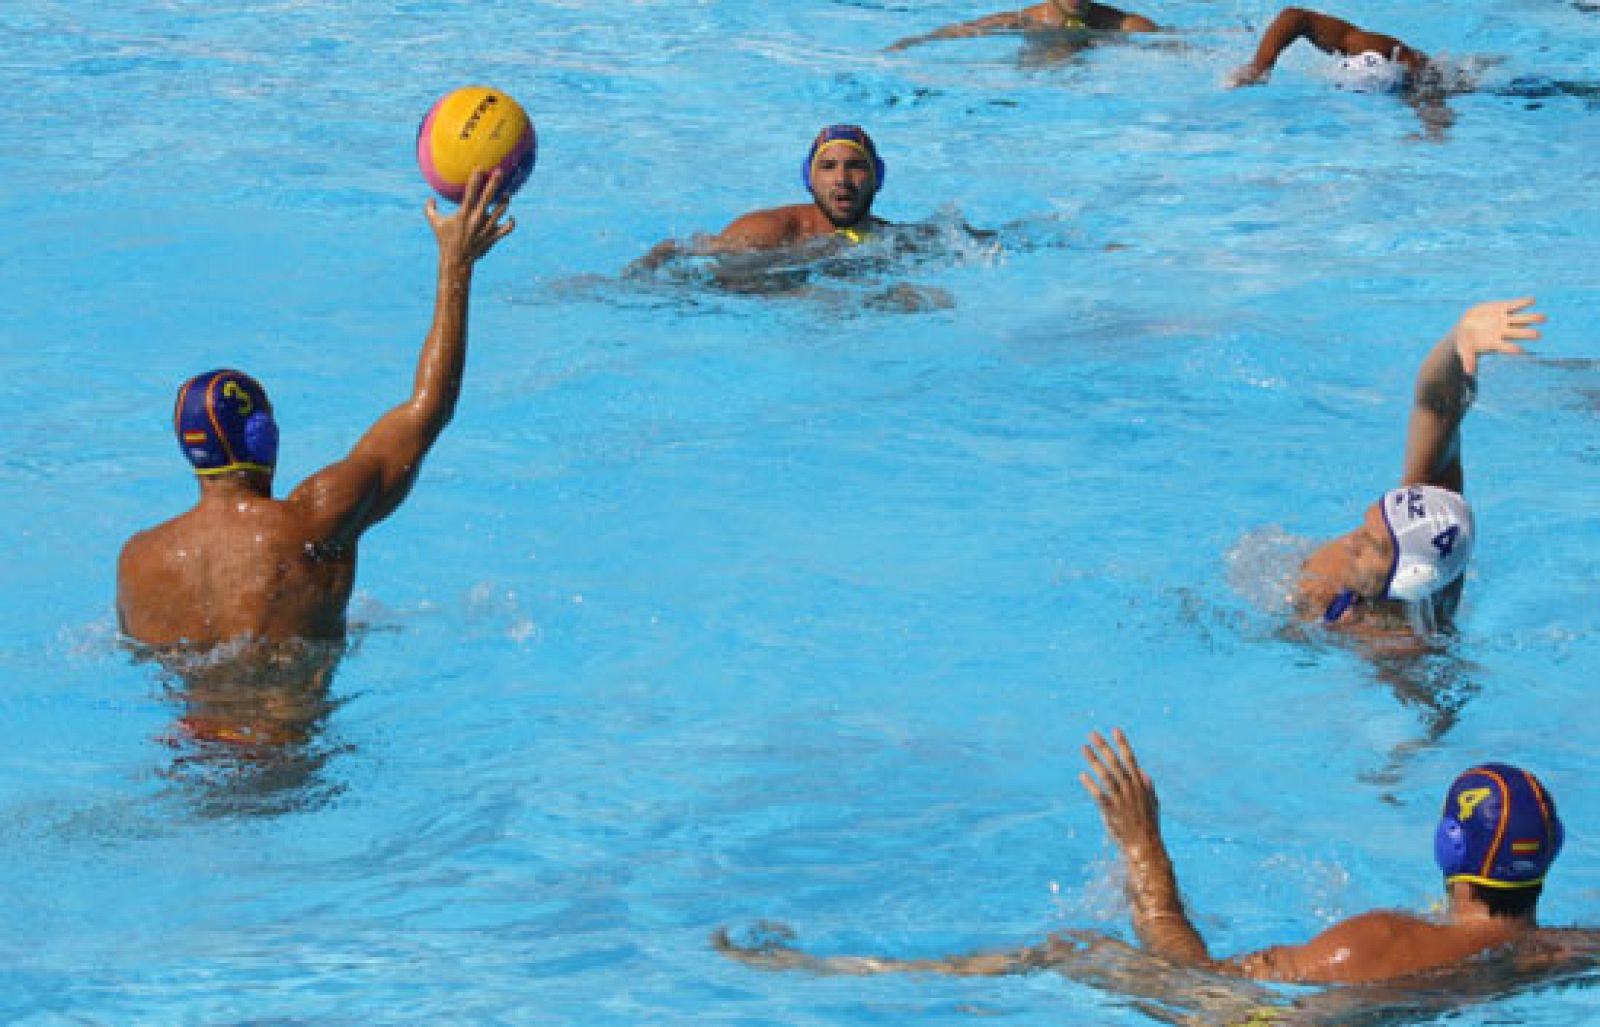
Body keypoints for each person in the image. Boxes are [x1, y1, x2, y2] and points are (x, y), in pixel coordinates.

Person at [716, 728, 1586, 986]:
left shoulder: (1377, 943)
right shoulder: (1568, 950)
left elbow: (1197, 975)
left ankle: (833, 971)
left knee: (1068, 946)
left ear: (1447, 848)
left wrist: (1144, 848)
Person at [118, 169, 514, 677]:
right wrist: (455, 265)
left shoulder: (138, 561)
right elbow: (429, 408)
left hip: (184, 753)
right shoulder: (314, 522)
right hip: (287, 751)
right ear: (264, 436)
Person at [1293, 298, 1543, 636]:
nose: (1351, 542)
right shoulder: (1420, 517)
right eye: (1366, 527)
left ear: (1408, 578)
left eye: (1372, 544)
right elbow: (1437, 407)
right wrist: (1458, 341)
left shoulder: (1403, 653)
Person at [638, 124, 889, 269]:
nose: (842, 179)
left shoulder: (890, 239)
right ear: (809, 180)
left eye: (856, 165)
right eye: (828, 166)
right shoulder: (768, 230)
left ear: (877, 177)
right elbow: (677, 250)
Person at [1227, 6, 1426, 92]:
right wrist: (1259, 67)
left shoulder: (1416, 74)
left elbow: (1434, 109)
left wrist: (1433, 131)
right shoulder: (1366, 46)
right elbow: (1295, 17)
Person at [886, 0, 1157, 51]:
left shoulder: (1125, 24)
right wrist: (913, 42)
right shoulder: (1025, 20)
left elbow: (1178, 46)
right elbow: (964, 30)